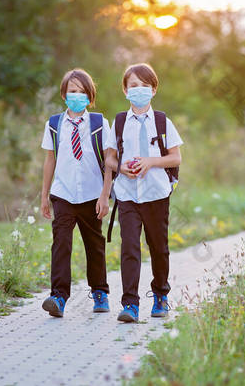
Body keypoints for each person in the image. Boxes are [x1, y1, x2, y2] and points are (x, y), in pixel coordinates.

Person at [100, 63, 183, 323]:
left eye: (144, 86)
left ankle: (160, 296)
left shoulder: (162, 121)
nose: (139, 90)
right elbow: (110, 159)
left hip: (156, 194)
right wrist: (121, 167)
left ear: (154, 89)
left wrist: (150, 162)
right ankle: (130, 304)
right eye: (133, 85)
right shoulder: (120, 121)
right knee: (130, 248)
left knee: (159, 248)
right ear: (125, 90)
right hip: (127, 195)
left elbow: (176, 158)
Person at [39, 68, 111, 317]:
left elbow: (110, 162)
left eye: (82, 92)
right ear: (64, 94)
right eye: (72, 91)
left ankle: (100, 292)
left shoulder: (100, 123)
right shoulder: (54, 124)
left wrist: (105, 195)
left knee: (95, 244)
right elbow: (50, 161)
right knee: (61, 244)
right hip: (63, 193)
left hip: (92, 194)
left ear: (90, 97)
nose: (76, 96)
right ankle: (58, 296)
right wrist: (44, 196)